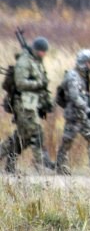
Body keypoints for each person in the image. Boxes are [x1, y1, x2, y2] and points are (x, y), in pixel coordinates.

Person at [0, 36, 55, 173]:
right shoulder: (24, 62)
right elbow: (20, 83)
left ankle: (10, 166)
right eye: (42, 51)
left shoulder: (36, 61)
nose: (44, 54)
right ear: (37, 50)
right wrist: (38, 84)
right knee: (35, 132)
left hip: (31, 103)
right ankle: (41, 164)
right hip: (22, 103)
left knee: (21, 137)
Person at [55, 49, 90, 176]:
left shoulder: (85, 77)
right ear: (83, 63)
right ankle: (61, 167)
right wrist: (88, 110)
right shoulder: (72, 76)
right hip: (74, 116)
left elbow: (88, 96)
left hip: (84, 116)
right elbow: (74, 96)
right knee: (67, 142)